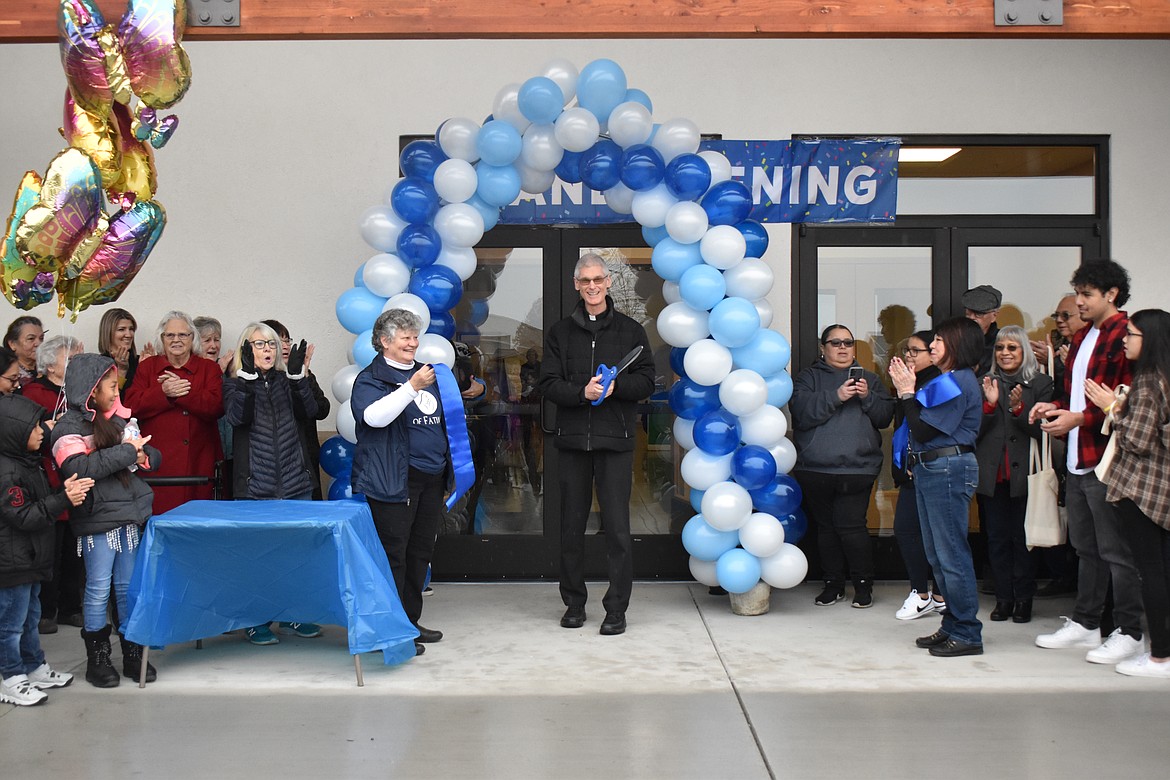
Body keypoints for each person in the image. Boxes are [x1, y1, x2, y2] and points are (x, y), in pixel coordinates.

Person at [1031, 260, 1144, 665]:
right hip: (1079, 458)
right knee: (1086, 547)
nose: (1079, 303)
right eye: (1077, 294)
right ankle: (1086, 622)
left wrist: (1080, 418)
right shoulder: (1082, 338)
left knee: (1116, 551)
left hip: (1108, 461)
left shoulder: (1126, 337)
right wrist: (1055, 407)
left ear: (1111, 294)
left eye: (1086, 295)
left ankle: (1130, 631)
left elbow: (1129, 404)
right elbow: (1074, 396)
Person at [538, 254, 655, 636]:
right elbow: (548, 383)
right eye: (585, 280)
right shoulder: (559, 333)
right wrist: (581, 392)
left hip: (614, 442)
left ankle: (616, 608)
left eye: (598, 279)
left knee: (617, 529)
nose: (592, 286)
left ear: (608, 281)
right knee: (570, 528)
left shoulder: (630, 330)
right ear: (576, 284)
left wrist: (617, 386)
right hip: (572, 442)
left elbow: (648, 382)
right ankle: (574, 603)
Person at [351, 309, 471, 656]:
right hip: (394, 481)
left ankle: (409, 623)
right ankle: (390, 631)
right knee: (394, 557)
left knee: (419, 554)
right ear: (384, 341)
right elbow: (373, 418)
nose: (413, 343)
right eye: (405, 337)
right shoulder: (371, 378)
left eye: (415, 336)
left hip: (431, 479)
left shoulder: (430, 374)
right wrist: (411, 387)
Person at [52, 354, 160, 687]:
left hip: (129, 515)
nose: (117, 393)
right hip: (97, 520)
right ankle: (97, 658)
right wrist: (128, 452)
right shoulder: (67, 427)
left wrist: (144, 454)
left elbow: (150, 455)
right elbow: (80, 468)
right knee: (98, 589)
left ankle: (131, 651)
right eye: (111, 387)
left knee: (128, 589)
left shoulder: (120, 419)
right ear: (91, 389)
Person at [888, 317, 985, 657]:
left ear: (957, 345)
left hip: (946, 466)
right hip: (935, 466)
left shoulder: (956, 380)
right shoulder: (950, 378)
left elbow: (924, 429)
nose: (932, 346)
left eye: (940, 341)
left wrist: (906, 392)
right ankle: (953, 625)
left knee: (950, 552)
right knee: (937, 552)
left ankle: (967, 631)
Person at [223, 322, 323, 645]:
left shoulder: (287, 379)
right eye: (258, 344)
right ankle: (256, 619)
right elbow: (238, 418)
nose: (267, 349)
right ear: (245, 350)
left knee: (296, 556)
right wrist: (248, 382)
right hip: (256, 487)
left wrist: (298, 380)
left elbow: (310, 412)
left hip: (295, 483)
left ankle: (293, 615)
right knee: (259, 558)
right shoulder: (235, 383)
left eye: (270, 344)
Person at [1087, 309, 1170, 678]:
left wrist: (1112, 408)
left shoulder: (1150, 382)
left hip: (1143, 491)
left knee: (1150, 573)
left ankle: (1160, 657)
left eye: (1132, 334)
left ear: (1149, 340)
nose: (1125, 339)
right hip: (1159, 491)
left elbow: (1136, 440)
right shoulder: (1163, 378)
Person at [791, 324, 894, 609]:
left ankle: (863, 586)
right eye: (835, 343)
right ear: (823, 349)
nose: (842, 348)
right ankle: (833, 585)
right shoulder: (808, 378)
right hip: (815, 468)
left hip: (857, 469)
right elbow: (801, 414)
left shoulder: (871, 380)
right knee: (826, 529)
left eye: (848, 342)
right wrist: (837, 396)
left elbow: (885, 417)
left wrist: (866, 397)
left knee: (851, 528)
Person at [0, 394, 91, 706]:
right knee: (10, 624)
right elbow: (23, 515)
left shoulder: (29, 464)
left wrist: (61, 492)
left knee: (29, 617)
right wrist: (64, 499)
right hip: (12, 563)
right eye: (34, 426)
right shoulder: (6, 472)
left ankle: (33, 665)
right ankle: (10, 677)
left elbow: (39, 504)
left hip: (31, 559)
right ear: (13, 432)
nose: (43, 431)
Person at [975, 325, 1053, 624]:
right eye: (1000, 348)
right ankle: (1003, 599)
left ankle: (1023, 600)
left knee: (1023, 540)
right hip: (993, 476)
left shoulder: (1041, 383)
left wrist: (1020, 408)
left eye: (1012, 348)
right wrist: (990, 405)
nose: (1005, 353)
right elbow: (973, 432)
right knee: (996, 539)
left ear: (1024, 351)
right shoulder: (984, 381)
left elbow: (1041, 431)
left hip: (1026, 476)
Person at [123, 311, 223, 515]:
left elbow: (216, 407)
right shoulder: (148, 368)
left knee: (195, 523)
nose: (176, 340)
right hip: (158, 465)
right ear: (162, 339)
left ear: (192, 338)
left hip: (198, 464)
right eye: (170, 335)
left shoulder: (208, 369)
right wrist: (163, 393)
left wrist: (182, 392)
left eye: (183, 335)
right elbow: (130, 406)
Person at [22, 335, 85, 634]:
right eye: (70, 358)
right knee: (51, 550)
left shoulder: (79, 391)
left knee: (75, 550)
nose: (76, 364)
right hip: (47, 481)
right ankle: (47, 611)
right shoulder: (33, 392)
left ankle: (72, 608)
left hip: (77, 478)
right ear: (50, 365)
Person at [1030, 293, 1086, 599]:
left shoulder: (1092, 348)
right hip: (1066, 445)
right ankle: (1064, 577)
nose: (1061, 322)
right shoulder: (1065, 346)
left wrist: (1060, 363)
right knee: (1065, 514)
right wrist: (1052, 362)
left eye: (1067, 316)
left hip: (1088, 449)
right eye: (1058, 317)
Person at [890, 330, 946, 620]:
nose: (909, 356)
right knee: (907, 530)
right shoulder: (907, 382)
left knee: (934, 534)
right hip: (911, 467)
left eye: (916, 351)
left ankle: (933, 594)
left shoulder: (940, 382)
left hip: (933, 465)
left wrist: (907, 393)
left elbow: (926, 428)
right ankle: (922, 592)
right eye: (907, 350)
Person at [263, 319, 330, 500]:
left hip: (306, 457)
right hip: (275, 465)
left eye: (287, 340)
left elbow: (322, 410)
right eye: (278, 340)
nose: (285, 346)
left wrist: (304, 375)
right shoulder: (262, 380)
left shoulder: (303, 374)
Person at [194, 316, 234, 497]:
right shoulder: (193, 372)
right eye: (207, 340)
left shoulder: (227, 370)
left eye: (217, 340)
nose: (214, 345)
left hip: (229, 456)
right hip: (203, 455)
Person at [97, 308, 153, 390]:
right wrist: (121, 371)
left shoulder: (138, 361)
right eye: (121, 329)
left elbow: (148, 396)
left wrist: (149, 369)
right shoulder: (98, 365)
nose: (129, 335)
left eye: (131, 329)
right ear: (108, 333)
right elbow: (108, 399)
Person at [962, 284, 1002, 377]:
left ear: (994, 316)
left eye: (978, 314)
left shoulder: (1002, 341)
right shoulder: (957, 338)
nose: (972, 318)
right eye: (968, 313)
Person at [4, 316, 44, 389]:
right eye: (31, 338)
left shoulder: (49, 368)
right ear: (12, 344)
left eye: (41, 338)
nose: (39, 343)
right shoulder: (6, 373)